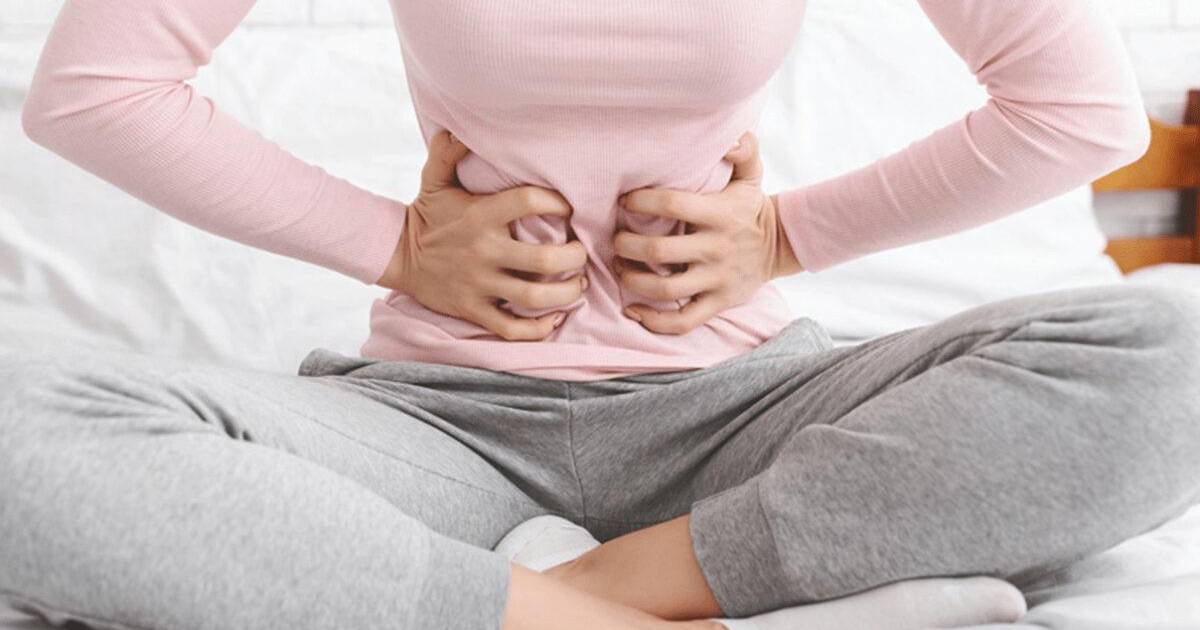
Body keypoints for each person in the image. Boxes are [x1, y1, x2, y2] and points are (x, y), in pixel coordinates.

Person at [4, 1, 1199, 629]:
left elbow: (1076, 110)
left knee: (1176, 353)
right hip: (438, 427)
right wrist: (396, 246)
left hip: (747, 411)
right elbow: (96, 91)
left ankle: (603, 597)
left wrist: (786, 236)